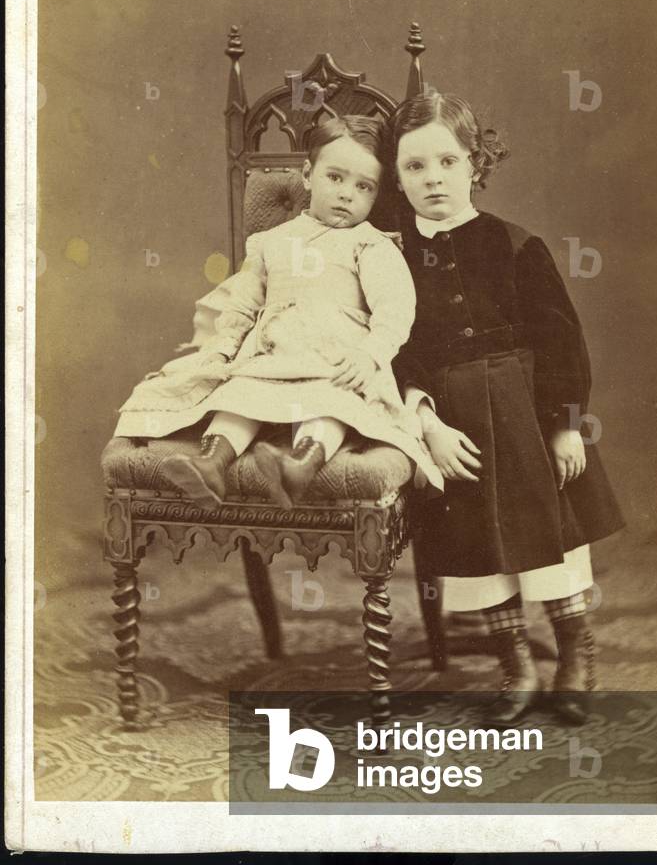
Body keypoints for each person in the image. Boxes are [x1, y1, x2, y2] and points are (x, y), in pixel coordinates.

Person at [388, 91, 626, 724]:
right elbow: (395, 352)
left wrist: (566, 425)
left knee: (557, 537)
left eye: (446, 161)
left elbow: (561, 342)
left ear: (474, 162)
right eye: (414, 167)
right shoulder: (390, 260)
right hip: (454, 424)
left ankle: (575, 657)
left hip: (528, 414)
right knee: (475, 547)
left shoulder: (516, 245)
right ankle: (514, 663)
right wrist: (425, 422)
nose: (432, 178)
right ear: (397, 176)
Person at [115, 114, 443, 508]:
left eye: (364, 187)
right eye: (335, 178)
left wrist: (369, 354)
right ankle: (211, 465)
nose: (347, 194)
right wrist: (224, 347)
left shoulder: (371, 245)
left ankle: (299, 466)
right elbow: (242, 302)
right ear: (307, 174)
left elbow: (395, 309)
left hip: (336, 360)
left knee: (331, 400)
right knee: (239, 394)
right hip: (272, 353)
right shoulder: (272, 242)